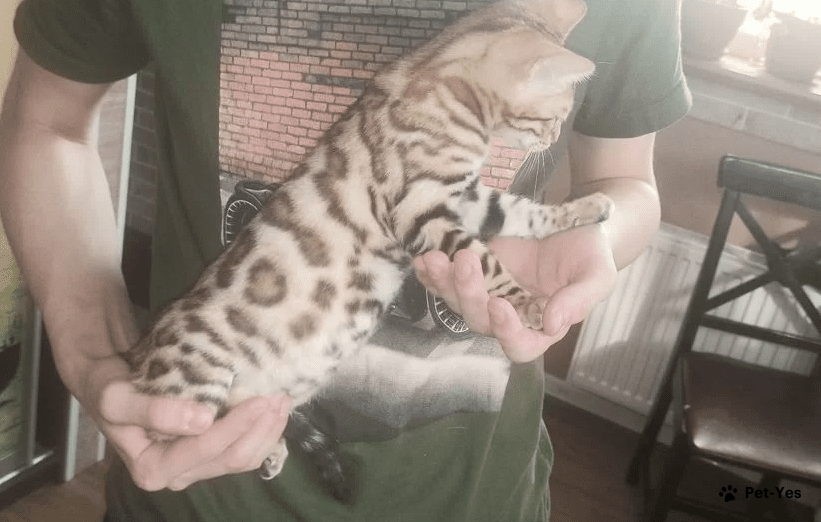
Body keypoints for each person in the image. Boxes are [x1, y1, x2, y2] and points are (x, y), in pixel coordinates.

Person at [0, 0, 691, 520]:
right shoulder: (430, 114)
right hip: (196, 487)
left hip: (477, 490)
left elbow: (625, 181)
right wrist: (92, 351)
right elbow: (48, 124)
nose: (539, 139)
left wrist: (594, 230)